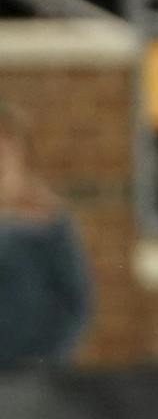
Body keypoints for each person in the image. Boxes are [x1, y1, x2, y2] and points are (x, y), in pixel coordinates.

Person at [0, 102, 92, 368]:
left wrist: (47, 362)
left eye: (6, 151)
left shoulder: (49, 222)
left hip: (34, 376)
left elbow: (75, 304)